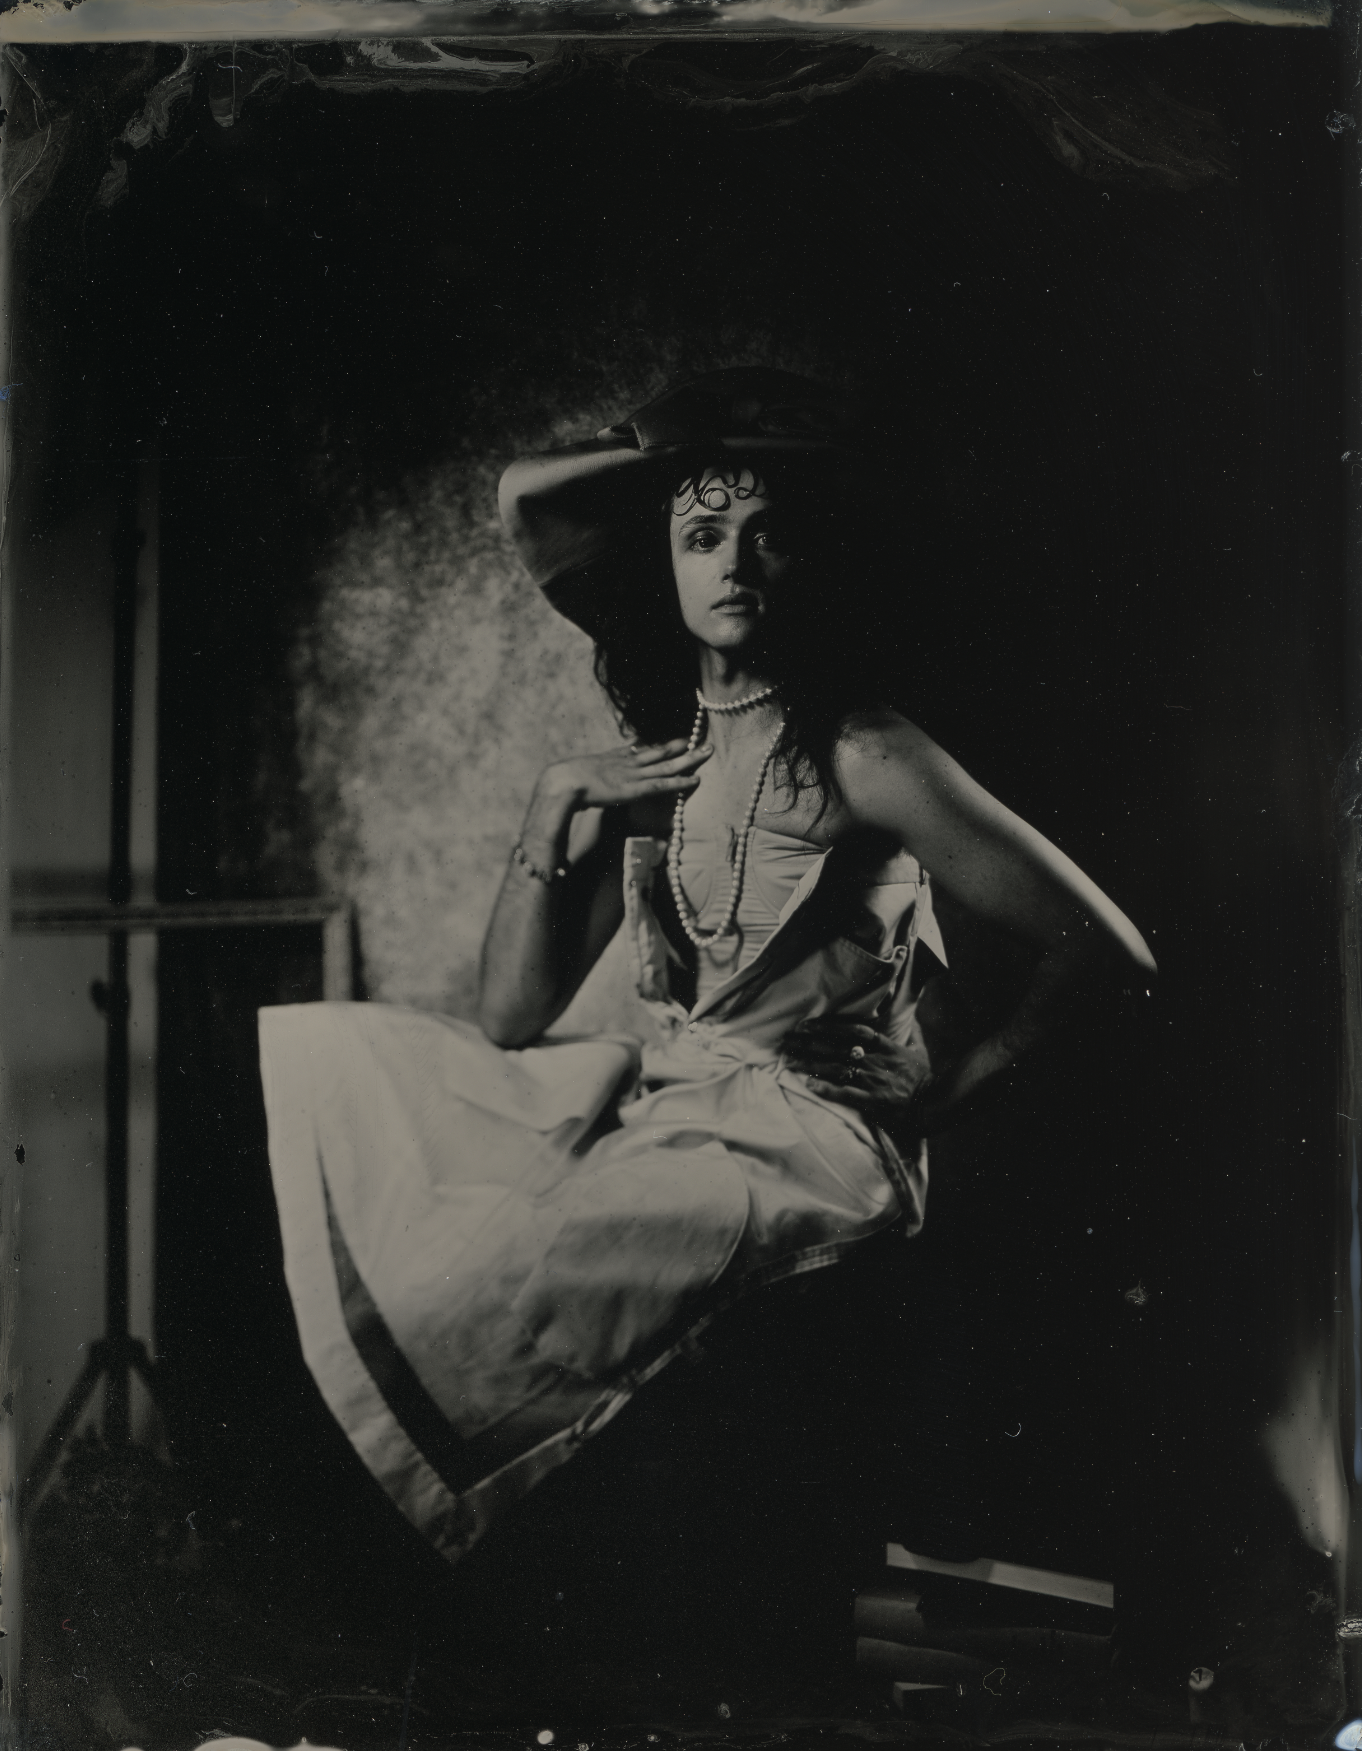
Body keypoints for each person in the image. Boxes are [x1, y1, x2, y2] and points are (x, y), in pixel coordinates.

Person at [258, 366, 1155, 1566]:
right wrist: (552, 804)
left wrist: (950, 1080)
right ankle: (472, 1599)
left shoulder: (866, 746)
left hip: (813, 1139)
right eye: (704, 532)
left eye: (770, 535)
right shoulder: (658, 766)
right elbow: (511, 1016)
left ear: (818, 561)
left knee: (560, 1246)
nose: (735, 562)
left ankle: (527, 1591)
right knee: (366, 1078)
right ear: (664, 562)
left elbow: (1111, 945)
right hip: (680, 1099)